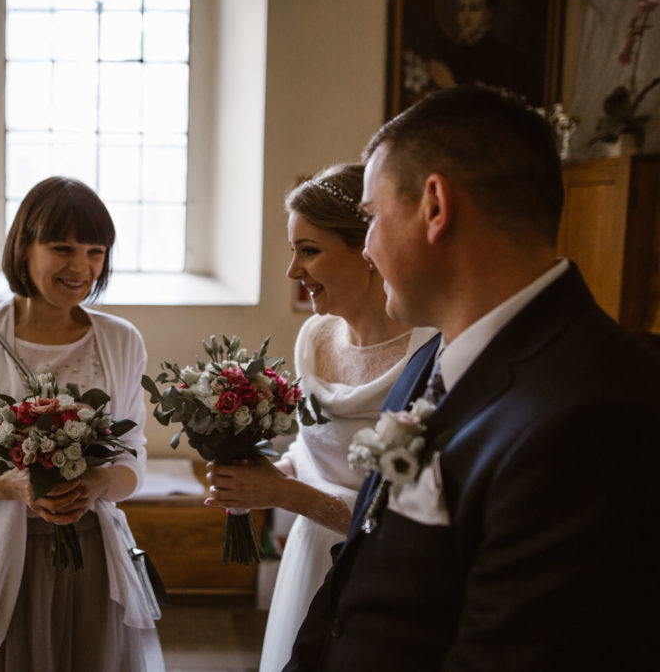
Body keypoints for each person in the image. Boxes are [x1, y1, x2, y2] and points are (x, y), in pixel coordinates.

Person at [285, 85, 660, 670]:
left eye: (371, 218)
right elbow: (356, 581)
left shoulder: (595, 412)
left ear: (435, 207)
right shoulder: (429, 361)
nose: (370, 247)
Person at [0, 176, 164, 671]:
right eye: (62, 248)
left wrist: (97, 482)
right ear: (24, 246)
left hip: (91, 560)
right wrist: (11, 485)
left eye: (95, 251)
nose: (82, 267)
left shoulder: (121, 340)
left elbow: (133, 454)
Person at [204, 163, 436, 672]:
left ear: (369, 250)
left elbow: (413, 518)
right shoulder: (315, 337)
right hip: (308, 558)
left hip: (377, 573)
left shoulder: (431, 352)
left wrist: (283, 495)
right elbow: (311, 450)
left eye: (309, 250)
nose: (292, 271)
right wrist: (257, 480)